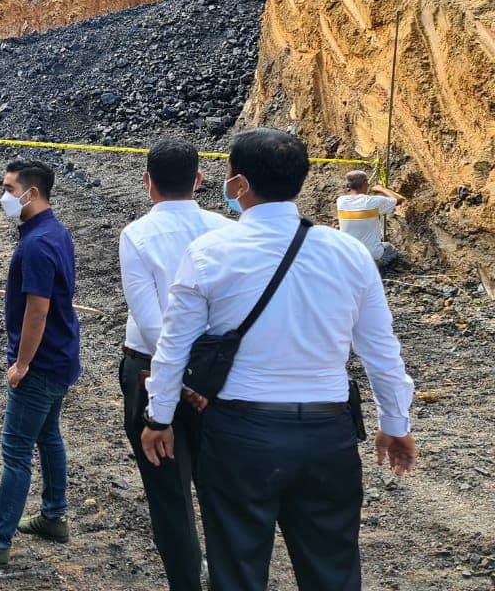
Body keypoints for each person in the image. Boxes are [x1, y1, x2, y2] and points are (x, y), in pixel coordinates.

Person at [141, 128, 417, 591]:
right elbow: (381, 349)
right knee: (332, 570)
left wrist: (159, 417)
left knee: (237, 570)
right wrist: (395, 422)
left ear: (239, 185)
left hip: (241, 436)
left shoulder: (210, 253)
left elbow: (173, 348)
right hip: (329, 435)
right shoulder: (348, 252)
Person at [0, 160, 81, 570]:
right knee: (49, 436)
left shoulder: (37, 245)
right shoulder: (53, 232)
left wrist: (22, 365)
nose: (4, 197)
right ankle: (53, 516)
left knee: (16, 452)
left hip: (40, 365)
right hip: (61, 358)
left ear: (33, 193)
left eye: (10, 189)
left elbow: (37, 312)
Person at [119, 139, 232, 591]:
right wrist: (197, 378)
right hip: (214, 377)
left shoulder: (136, 234)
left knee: (169, 497)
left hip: (151, 371)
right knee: (221, 488)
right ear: (199, 181)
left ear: (148, 183)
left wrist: (172, 382)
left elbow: (150, 325)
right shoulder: (226, 228)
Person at [337, 170, 403, 268]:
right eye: (367, 182)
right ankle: (373, 267)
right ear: (364, 183)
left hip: (348, 253)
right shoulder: (373, 202)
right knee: (390, 249)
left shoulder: (340, 201)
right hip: (371, 253)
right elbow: (398, 199)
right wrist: (382, 189)